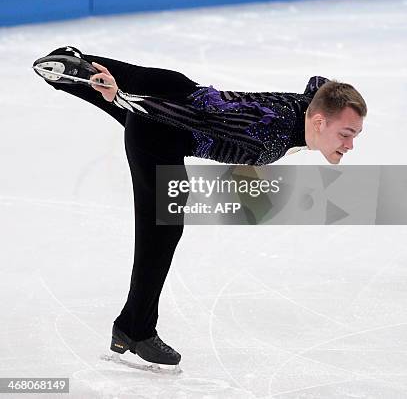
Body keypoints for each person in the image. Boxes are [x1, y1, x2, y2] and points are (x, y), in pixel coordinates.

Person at [33, 46, 367, 368]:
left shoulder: (311, 107)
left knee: (92, 78)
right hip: (162, 123)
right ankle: (135, 332)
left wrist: (342, 98)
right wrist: (123, 99)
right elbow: (198, 114)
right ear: (320, 122)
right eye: (346, 134)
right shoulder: (268, 133)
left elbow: (319, 86)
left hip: (167, 86)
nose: (350, 145)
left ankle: (74, 66)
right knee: (163, 228)